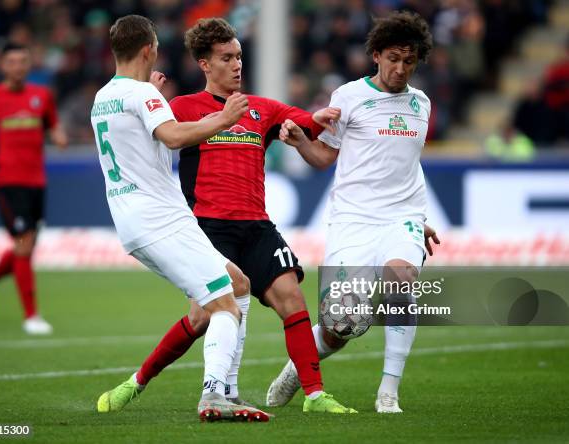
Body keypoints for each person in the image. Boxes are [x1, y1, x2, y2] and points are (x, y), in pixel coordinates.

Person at [100, 17, 356, 415]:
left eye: (239, 56)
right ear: (205, 64)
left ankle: (314, 394)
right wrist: (152, 97)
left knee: (292, 295)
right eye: (226, 58)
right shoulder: (181, 108)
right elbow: (148, 133)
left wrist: (316, 119)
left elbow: (304, 119)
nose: (237, 65)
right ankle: (139, 381)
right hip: (207, 225)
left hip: (256, 226)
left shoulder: (261, 109)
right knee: (204, 316)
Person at [90, 15, 273, 422]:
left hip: (132, 223)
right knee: (225, 305)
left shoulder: (103, 98)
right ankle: (213, 395)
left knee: (237, 282)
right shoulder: (144, 98)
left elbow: (138, 136)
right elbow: (172, 137)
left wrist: (150, 97)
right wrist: (223, 120)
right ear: (148, 50)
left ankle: (229, 387)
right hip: (162, 219)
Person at [266, 11, 440, 414]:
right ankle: (296, 369)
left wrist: (417, 221)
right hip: (353, 220)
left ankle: (388, 392)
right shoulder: (348, 97)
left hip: (402, 216)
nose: (400, 68)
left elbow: (404, 163)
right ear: (376, 55)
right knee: (341, 325)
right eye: (393, 58)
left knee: (402, 280)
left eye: (409, 60)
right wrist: (299, 144)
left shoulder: (422, 103)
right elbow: (325, 158)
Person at [0, 43, 68, 335]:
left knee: (25, 247)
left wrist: (58, 136)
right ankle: (31, 316)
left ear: (29, 64)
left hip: (37, 181)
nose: (18, 66)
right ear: (2, 65)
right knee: (25, 243)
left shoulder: (41, 96)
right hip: (7, 181)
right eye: (12, 61)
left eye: (23, 60)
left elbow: (53, 124)